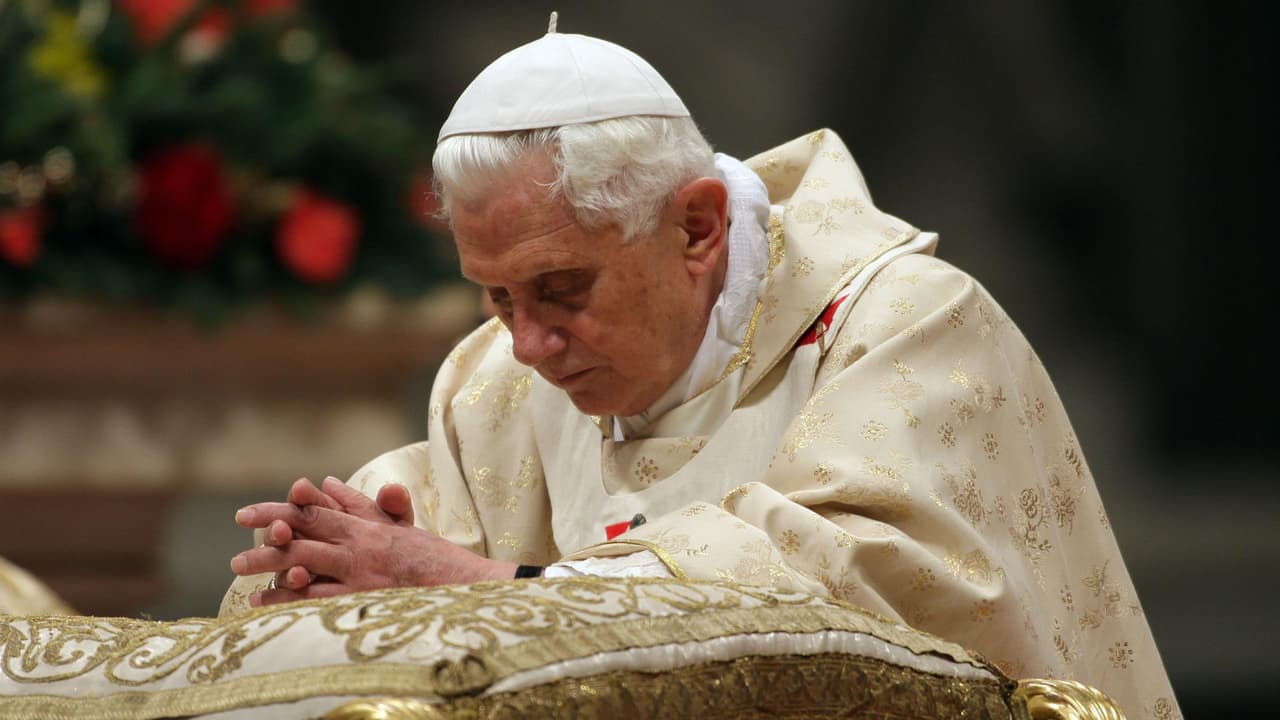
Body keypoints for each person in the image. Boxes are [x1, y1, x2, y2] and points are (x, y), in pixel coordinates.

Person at [223, 22, 1179, 718]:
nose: (528, 345)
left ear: (698, 227)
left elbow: (846, 615)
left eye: (560, 287)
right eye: (497, 296)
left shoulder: (903, 330)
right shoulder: (494, 382)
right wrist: (319, 566)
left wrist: (482, 584)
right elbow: (411, 552)